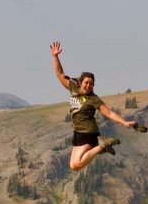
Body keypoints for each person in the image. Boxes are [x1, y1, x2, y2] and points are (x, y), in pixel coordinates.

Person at [50, 41, 136, 171]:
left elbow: (109, 113)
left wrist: (124, 123)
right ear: (80, 82)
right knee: (73, 165)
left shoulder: (93, 99)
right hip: (78, 133)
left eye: (91, 84)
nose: (88, 85)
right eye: (86, 83)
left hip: (88, 133)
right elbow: (60, 74)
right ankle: (102, 146)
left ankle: (102, 146)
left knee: (76, 165)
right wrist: (55, 57)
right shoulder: (73, 87)